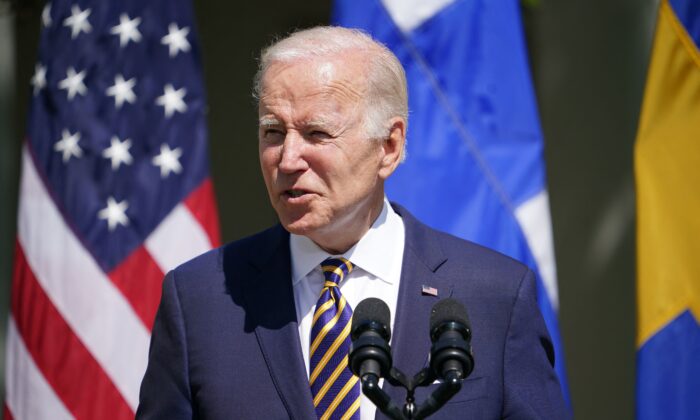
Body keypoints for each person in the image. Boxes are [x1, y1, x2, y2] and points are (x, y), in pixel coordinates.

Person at [137, 26, 568, 419]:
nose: (287, 160)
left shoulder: (494, 296)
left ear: (390, 146)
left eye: (317, 134)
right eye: (273, 132)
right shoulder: (199, 299)